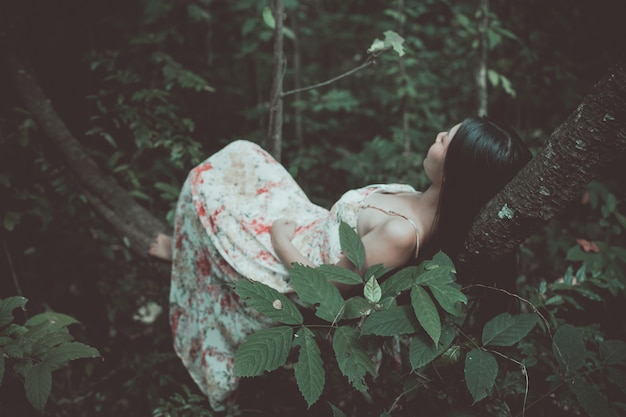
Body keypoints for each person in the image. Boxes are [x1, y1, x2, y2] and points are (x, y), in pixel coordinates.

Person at [151, 116, 531, 411]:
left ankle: (189, 250)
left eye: (447, 139)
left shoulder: (401, 235)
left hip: (293, 266)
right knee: (242, 154)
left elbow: (326, 290)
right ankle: (191, 247)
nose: (439, 135)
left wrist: (280, 237)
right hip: (309, 228)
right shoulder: (421, 201)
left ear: (454, 173)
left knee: (204, 185)